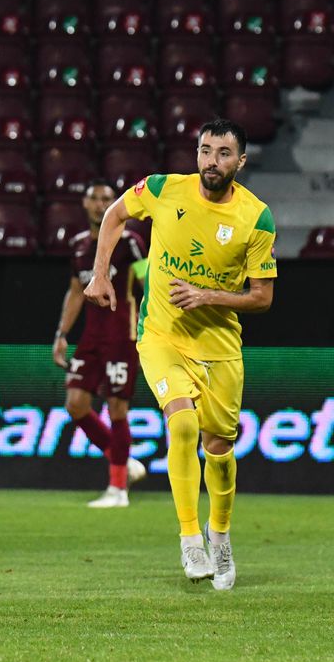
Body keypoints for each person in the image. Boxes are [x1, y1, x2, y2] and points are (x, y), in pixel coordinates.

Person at [84, 119, 276, 591]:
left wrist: (207, 296)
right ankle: (190, 537)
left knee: (219, 449)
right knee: (183, 425)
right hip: (161, 336)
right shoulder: (163, 188)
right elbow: (114, 215)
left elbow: (262, 297)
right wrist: (100, 273)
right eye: (206, 150)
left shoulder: (256, 218)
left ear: (241, 161)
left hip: (220, 346)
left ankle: (219, 534)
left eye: (224, 153)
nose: (212, 161)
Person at [53, 180, 149, 508]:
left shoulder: (131, 243)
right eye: (94, 198)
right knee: (76, 404)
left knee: (117, 407)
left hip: (123, 334)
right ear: (84, 203)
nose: (99, 204)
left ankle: (118, 490)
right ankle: (123, 460)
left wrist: (150, 329)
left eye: (106, 199)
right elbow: (75, 292)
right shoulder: (79, 246)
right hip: (91, 337)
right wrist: (61, 334)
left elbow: (148, 283)